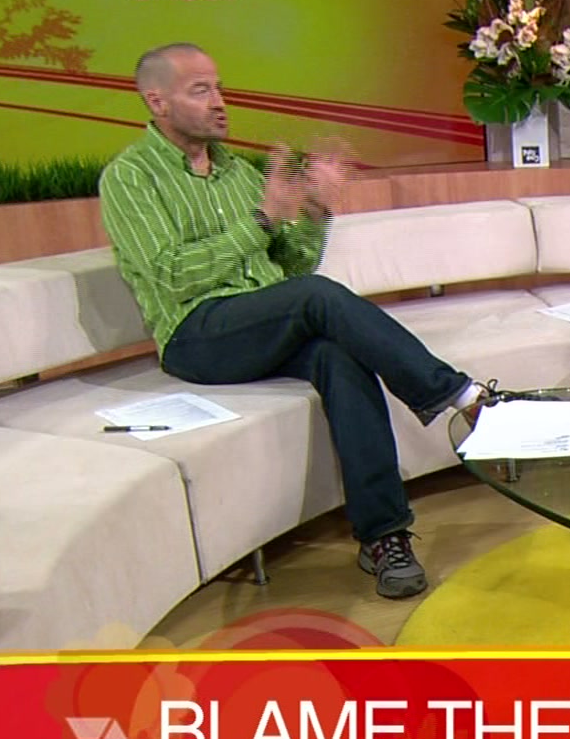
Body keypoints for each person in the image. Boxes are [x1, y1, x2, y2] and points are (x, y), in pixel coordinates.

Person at [99, 43, 502, 599]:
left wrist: (312, 211)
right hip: (196, 336)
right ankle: (461, 396)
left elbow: (291, 267)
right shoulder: (129, 178)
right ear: (157, 102)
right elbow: (170, 276)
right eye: (201, 90)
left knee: (341, 357)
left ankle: (384, 536)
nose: (219, 102)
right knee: (316, 299)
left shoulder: (237, 173)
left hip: (265, 324)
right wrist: (262, 220)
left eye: (219, 88)